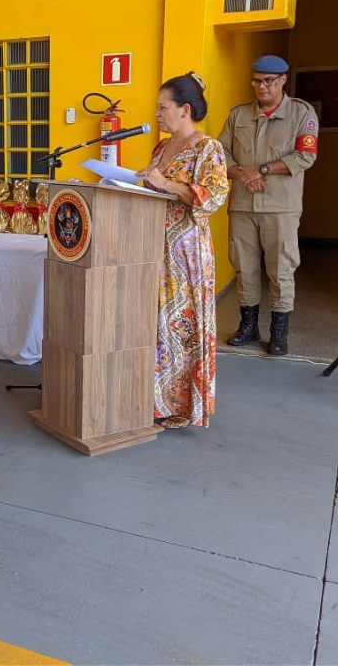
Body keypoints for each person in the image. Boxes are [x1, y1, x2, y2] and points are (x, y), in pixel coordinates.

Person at [136, 73, 230, 429]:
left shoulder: (209, 149)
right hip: (153, 246)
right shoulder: (161, 147)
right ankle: (154, 402)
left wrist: (167, 183)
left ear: (185, 109)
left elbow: (214, 196)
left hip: (186, 252)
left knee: (182, 328)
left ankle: (182, 407)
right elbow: (156, 188)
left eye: (164, 107)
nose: (158, 114)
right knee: (157, 326)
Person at [218, 55, 318, 356]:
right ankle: (248, 327)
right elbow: (220, 153)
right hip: (243, 205)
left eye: (268, 81)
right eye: (257, 81)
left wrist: (258, 170)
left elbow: (305, 156)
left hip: (281, 206)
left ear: (283, 80)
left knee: (281, 268)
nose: (261, 87)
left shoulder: (302, 113)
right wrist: (243, 175)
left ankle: (278, 333)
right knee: (243, 267)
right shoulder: (238, 115)